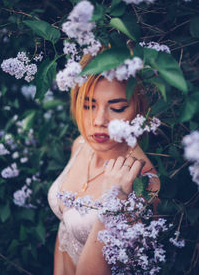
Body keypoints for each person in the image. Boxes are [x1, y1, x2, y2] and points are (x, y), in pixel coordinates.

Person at [48, 53, 160, 275]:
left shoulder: (144, 184)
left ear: (140, 110)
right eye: (88, 105)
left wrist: (113, 203)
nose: (99, 121)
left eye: (117, 108)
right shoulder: (81, 144)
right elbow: (64, 235)